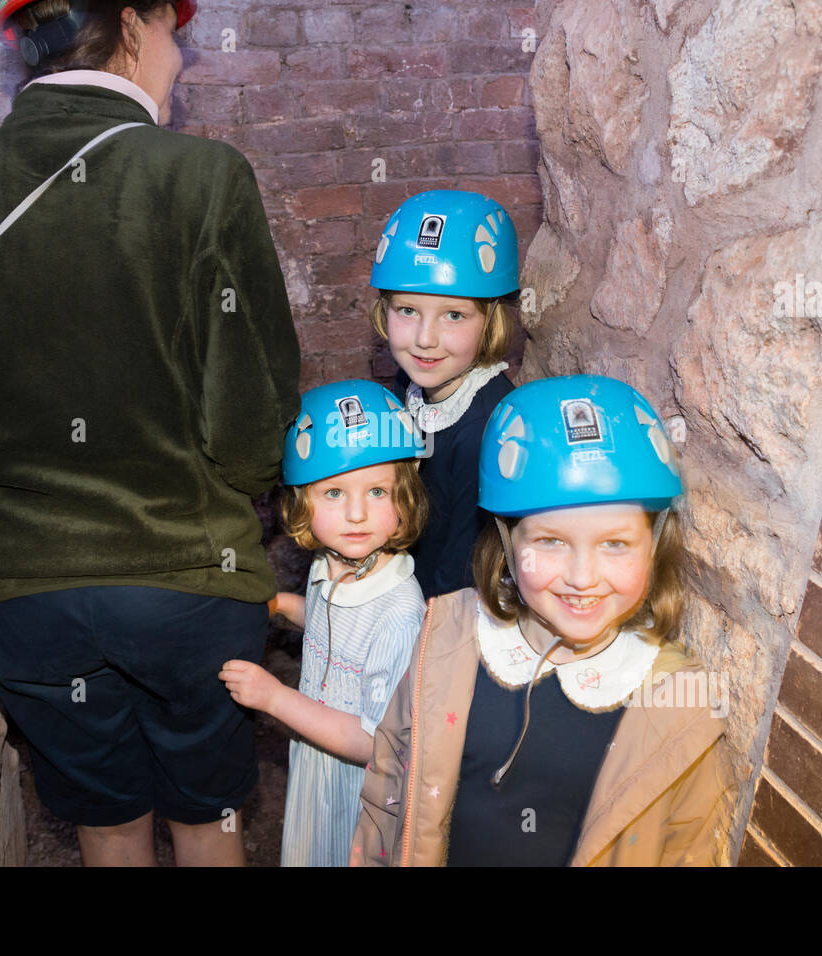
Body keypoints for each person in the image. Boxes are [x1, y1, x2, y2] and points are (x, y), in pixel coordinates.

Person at [0, 0, 301, 865]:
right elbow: (252, 425)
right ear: (133, 24)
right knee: (209, 819)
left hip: (24, 586)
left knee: (107, 821)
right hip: (184, 576)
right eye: (175, 33)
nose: (183, 58)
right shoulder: (204, 176)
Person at [351, 375, 733, 866]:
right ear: (508, 543)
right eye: (550, 541)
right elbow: (387, 779)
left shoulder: (679, 707)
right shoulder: (448, 638)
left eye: (615, 543)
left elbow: (689, 850)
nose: (581, 577)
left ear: (656, 543)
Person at [220, 381, 428, 866]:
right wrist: (281, 605)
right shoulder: (330, 565)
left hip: (361, 789)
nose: (356, 514)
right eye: (334, 492)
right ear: (301, 501)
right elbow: (328, 622)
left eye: (377, 491)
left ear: (405, 500)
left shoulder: (399, 613)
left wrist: (274, 698)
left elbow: (373, 742)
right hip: (316, 758)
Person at [368, 189, 519, 600]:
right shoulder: (412, 385)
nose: (424, 340)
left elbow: (459, 584)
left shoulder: (482, 432)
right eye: (407, 310)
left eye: (454, 315)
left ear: (491, 320)